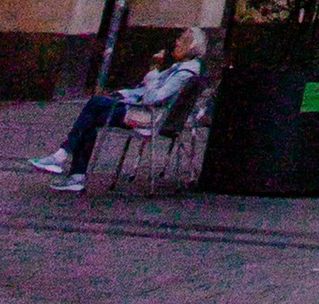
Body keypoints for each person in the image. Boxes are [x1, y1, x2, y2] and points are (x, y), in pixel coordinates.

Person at [29, 30, 205, 190]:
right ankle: (73, 173)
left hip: (148, 116)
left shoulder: (185, 73)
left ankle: (66, 161)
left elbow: (153, 97)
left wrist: (153, 71)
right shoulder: (183, 68)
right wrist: (123, 94)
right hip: (146, 110)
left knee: (95, 105)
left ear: (192, 47)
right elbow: (145, 91)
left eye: (182, 41)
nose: (176, 43)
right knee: (92, 115)